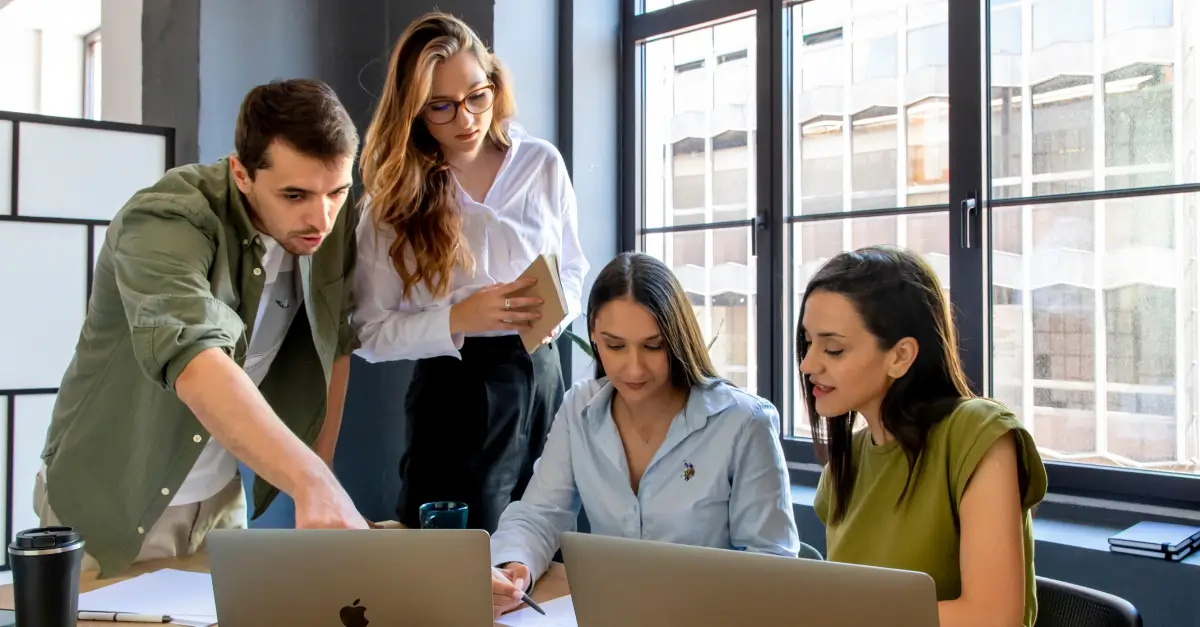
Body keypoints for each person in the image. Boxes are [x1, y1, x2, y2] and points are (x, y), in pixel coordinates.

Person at [35, 79, 369, 578]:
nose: (320, 216)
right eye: (294, 193)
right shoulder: (166, 219)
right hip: (109, 501)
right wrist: (312, 484)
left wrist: (323, 482)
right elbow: (196, 359)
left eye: (337, 191)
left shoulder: (324, 222)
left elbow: (333, 345)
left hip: (218, 502)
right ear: (241, 173)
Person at [352, 12, 588, 533]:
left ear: (494, 84)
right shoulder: (393, 202)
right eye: (441, 106)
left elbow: (573, 267)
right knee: (453, 561)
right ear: (414, 112)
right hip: (456, 391)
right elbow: (369, 333)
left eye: (477, 95)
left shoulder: (541, 164)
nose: (466, 118)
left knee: (546, 543)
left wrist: (557, 315)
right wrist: (460, 316)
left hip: (544, 373)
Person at [488, 252, 800, 617]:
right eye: (615, 345)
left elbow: (772, 564)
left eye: (653, 346)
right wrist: (515, 565)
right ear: (593, 336)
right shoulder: (579, 409)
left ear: (678, 338)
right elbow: (539, 514)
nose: (633, 367)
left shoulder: (744, 423)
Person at [798, 245, 1048, 627]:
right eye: (808, 343)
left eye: (833, 349)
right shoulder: (845, 466)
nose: (808, 364)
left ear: (900, 356)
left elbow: (994, 618)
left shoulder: (978, 433)